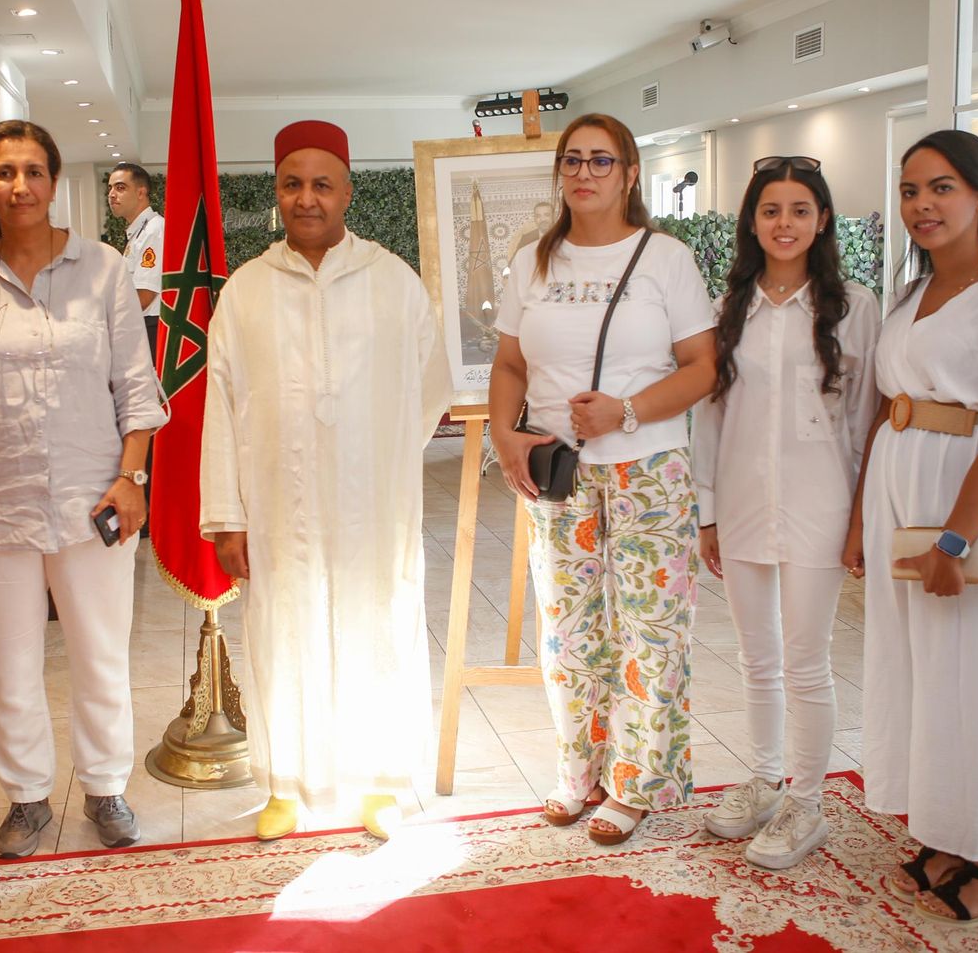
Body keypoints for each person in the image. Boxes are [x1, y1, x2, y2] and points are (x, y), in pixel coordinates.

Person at [0, 120, 165, 859]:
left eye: (32, 171)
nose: (18, 186)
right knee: (10, 661)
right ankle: (26, 798)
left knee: (98, 653)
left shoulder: (105, 270)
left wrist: (131, 475)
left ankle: (105, 787)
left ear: (54, 183)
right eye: (2, 171)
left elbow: (136, 387)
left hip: (94, 502)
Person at [200, 119, 451, 843]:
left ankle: (379, 780)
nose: (306, 198)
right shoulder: (245, 291)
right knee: (284, 633)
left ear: (348, 191)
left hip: (373, 504)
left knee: (379, 625)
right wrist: (226, 513)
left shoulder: (393, 281)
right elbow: (219, 403)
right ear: (276, 192)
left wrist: (381, 459)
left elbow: (428, 388)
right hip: (279, 502)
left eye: (321, 184)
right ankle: (287, 782)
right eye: (291, 184)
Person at [489, 112, 716, 846]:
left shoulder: (665, 259)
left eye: (601, 161)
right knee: (568, 629)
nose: (584, 173)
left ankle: (636, 783)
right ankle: (578, 770)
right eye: (573, 160)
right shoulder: (533, 261)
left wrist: (626, 410)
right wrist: (504, 436)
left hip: (648, 467)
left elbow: (703, 368)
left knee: (650, 631)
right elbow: (511, 364)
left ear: (628, 173)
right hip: (558, 470)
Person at [846, 130, 978, 928]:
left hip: (967, 499)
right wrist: (866, 516)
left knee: (975, 677)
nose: (921, 205)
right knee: (920, 670)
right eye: (908, 190)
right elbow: (882, 414)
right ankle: (946, 832)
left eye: (940, 188)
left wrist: (956, 540)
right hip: (903, 488)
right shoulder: (911, 293)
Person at [692, 157, 879, 868]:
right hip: (740, 503)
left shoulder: (853, 308)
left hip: (820, 507)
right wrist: (706, 512)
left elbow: (866, 423)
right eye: (771, 210)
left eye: (801, 209)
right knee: (757, 658)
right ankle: (765, 779)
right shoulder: (726, 309)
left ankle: (808, 802)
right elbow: (709, 419)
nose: (785, 223)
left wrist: (860, 518)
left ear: (823, 219)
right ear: (752, 221)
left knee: (806, 662)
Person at [107, 162, 163, 529]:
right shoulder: (135, 234)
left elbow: (143, 294)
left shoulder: (154, 230)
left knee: (145, 421)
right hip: (136, 329)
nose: (112, 194)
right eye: (110, 188)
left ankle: (148, 508)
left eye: (121, 188)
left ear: (141, 192)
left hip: (148, 330)